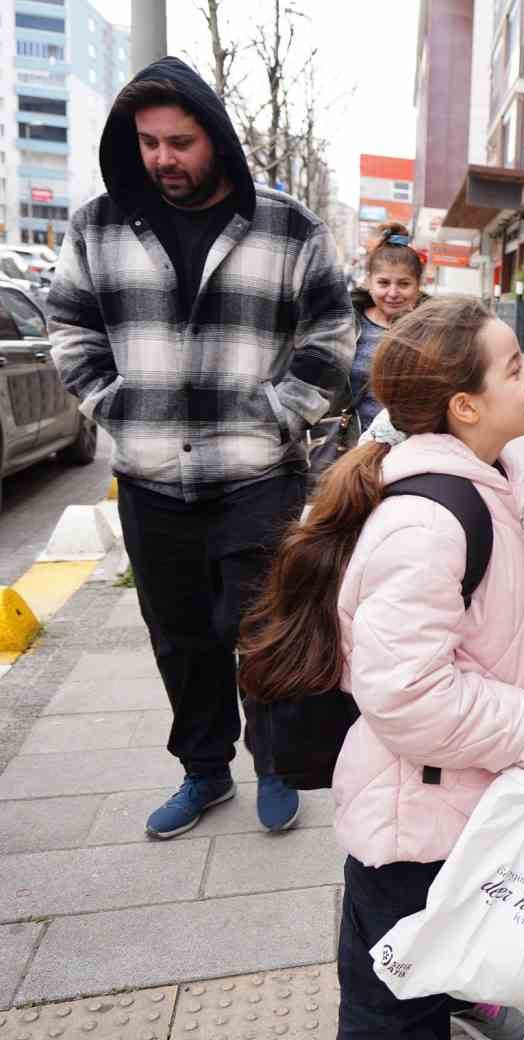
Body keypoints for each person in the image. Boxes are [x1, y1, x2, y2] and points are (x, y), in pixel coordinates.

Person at [237, 298, 524, 1040]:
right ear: (466, 406)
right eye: (516, 367)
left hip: (458, 802)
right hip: (414, 825)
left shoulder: (490, 482)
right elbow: (407, 696)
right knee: (392, 1025)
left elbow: (514, 610)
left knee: (423, 986)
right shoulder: (431, 523)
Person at [47, 58, 353, 839]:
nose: (163, 159)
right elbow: (71, 329)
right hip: (151, 477)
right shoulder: (98, 225)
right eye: (148, 143)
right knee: (179, 635)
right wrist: (111, 405)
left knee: (263, 631)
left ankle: (276, 764)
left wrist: (285, 414)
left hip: (256, 473)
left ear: (214, 138)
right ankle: (204, 771)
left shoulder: (288, 227)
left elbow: (331, 330)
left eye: (179, 141)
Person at [349, 222, 427, 429]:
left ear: (418, 286)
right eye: (383, 283)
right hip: (351, 441)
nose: (393, 293)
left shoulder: (432, 330)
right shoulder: (346, 324)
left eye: (404, 284)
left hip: (410, 446)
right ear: (369, 282)